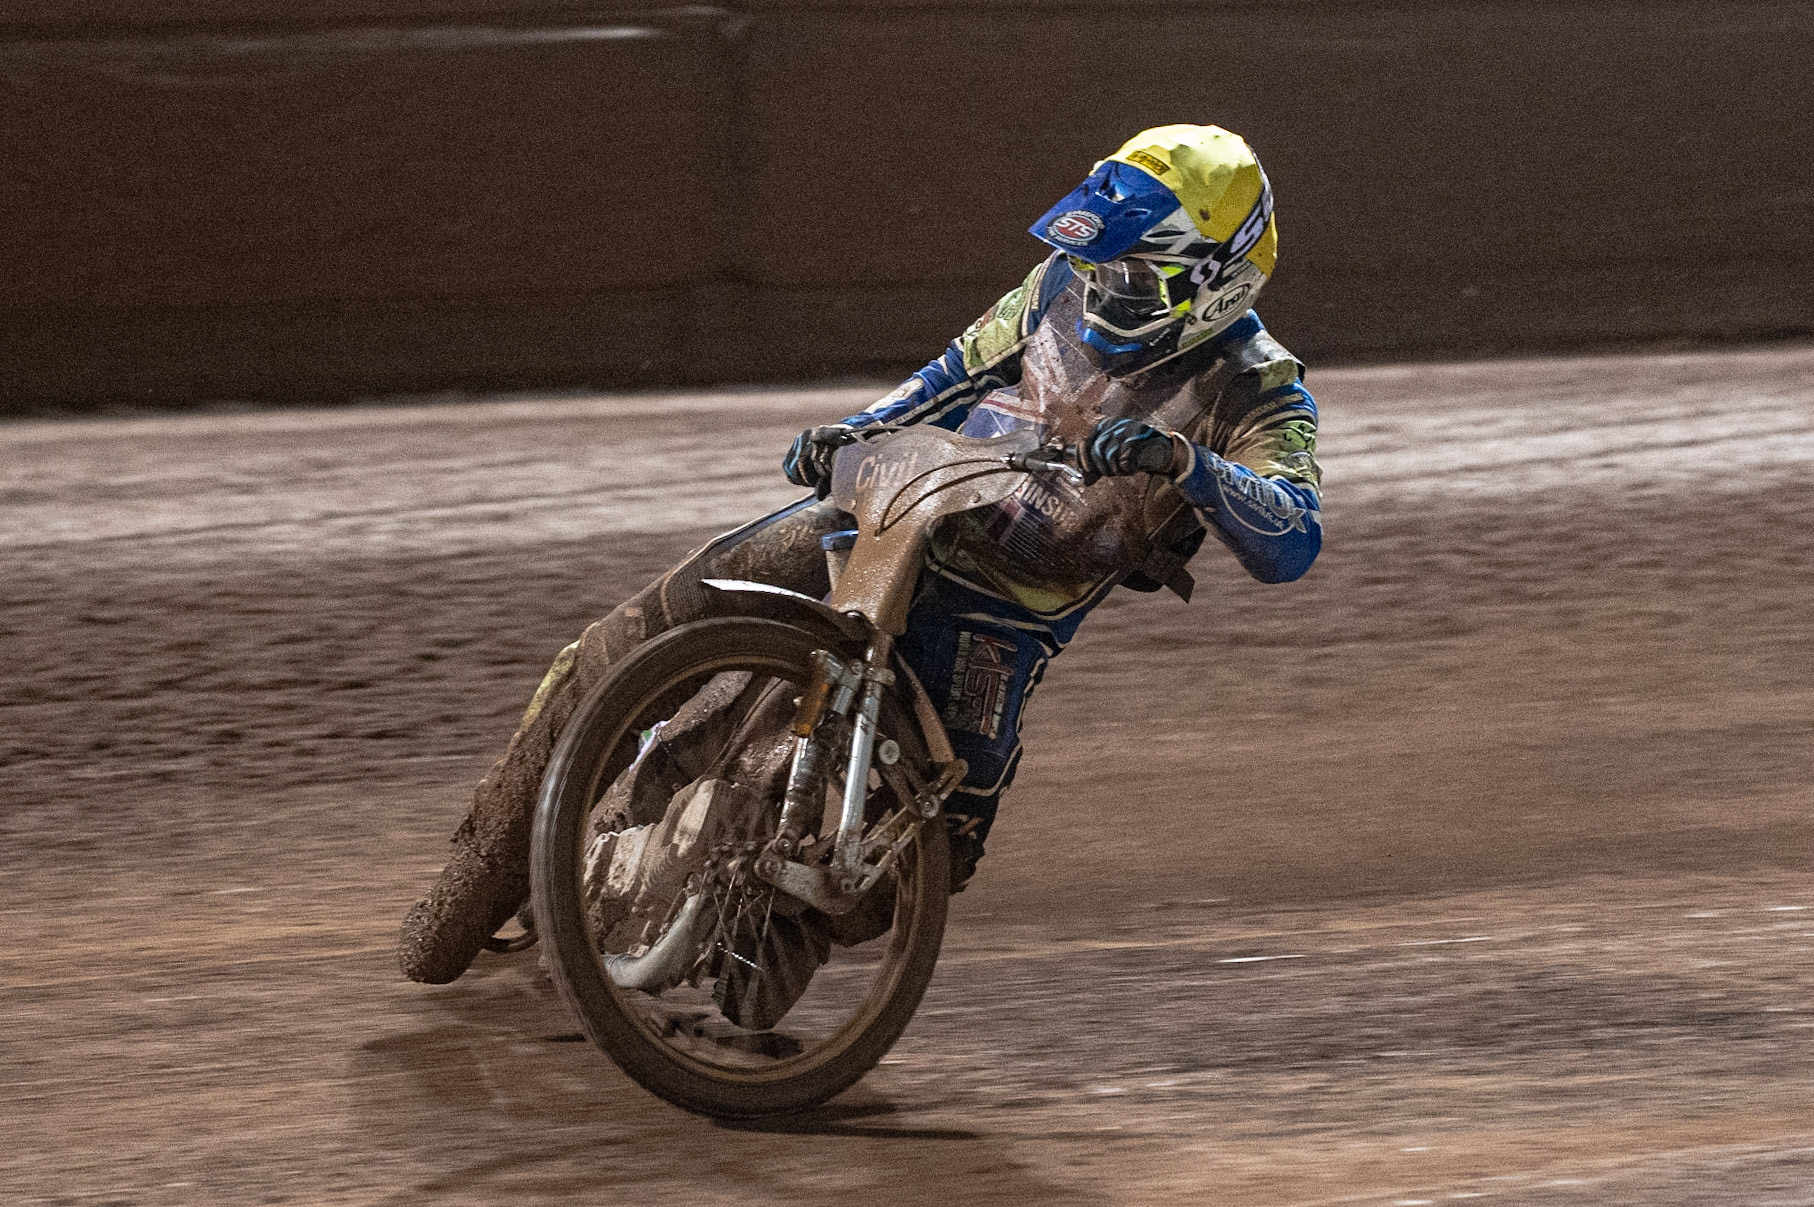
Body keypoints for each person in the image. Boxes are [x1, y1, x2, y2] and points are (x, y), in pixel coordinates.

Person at [398, 123, 1323, 985]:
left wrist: (1188, 464)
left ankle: (740, 969)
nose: (1103, 287)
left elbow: (1292, 534)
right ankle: (490, 858)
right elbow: (953, 373)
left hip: (998, 615)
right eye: (1098, 263)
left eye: (1132, 274)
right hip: (892, 513)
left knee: (925, 847)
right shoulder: (1056, 286)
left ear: (1217, 279)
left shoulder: (1260, 391)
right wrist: (856, 430)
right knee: (639, 632)